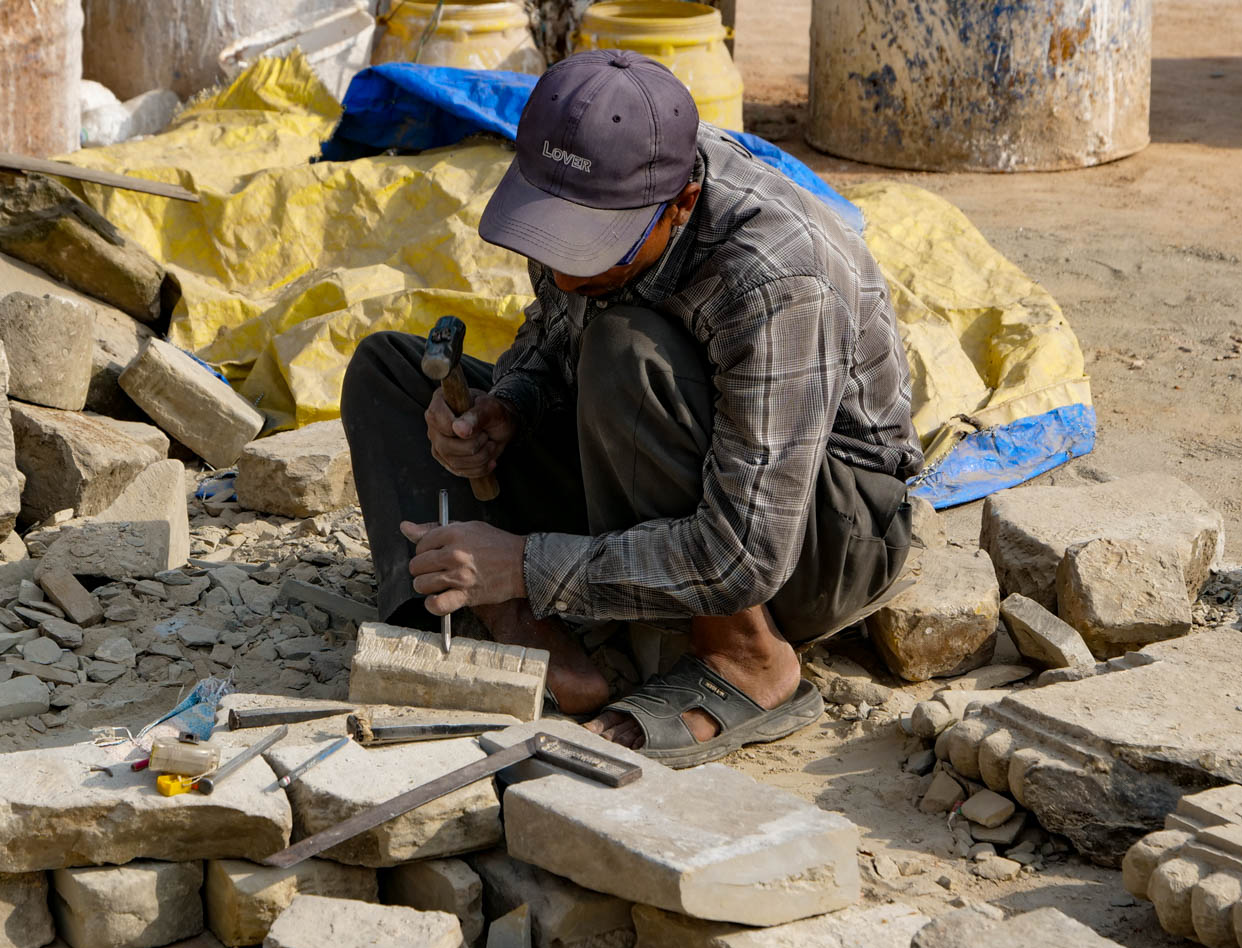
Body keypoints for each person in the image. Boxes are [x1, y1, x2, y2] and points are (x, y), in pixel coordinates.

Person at [341, 48, 922, 767]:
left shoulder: (777, 277)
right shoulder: (593, 184)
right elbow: (552, 334)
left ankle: (745, 659)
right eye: (554, 239)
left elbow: (743, 555)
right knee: (387, 370)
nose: (562, 270)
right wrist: (507, 408)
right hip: (640, 453)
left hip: (817, 535)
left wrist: (527, 562)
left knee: (626, 351)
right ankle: (504, 613)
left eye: (594, 250)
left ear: (680, 203)